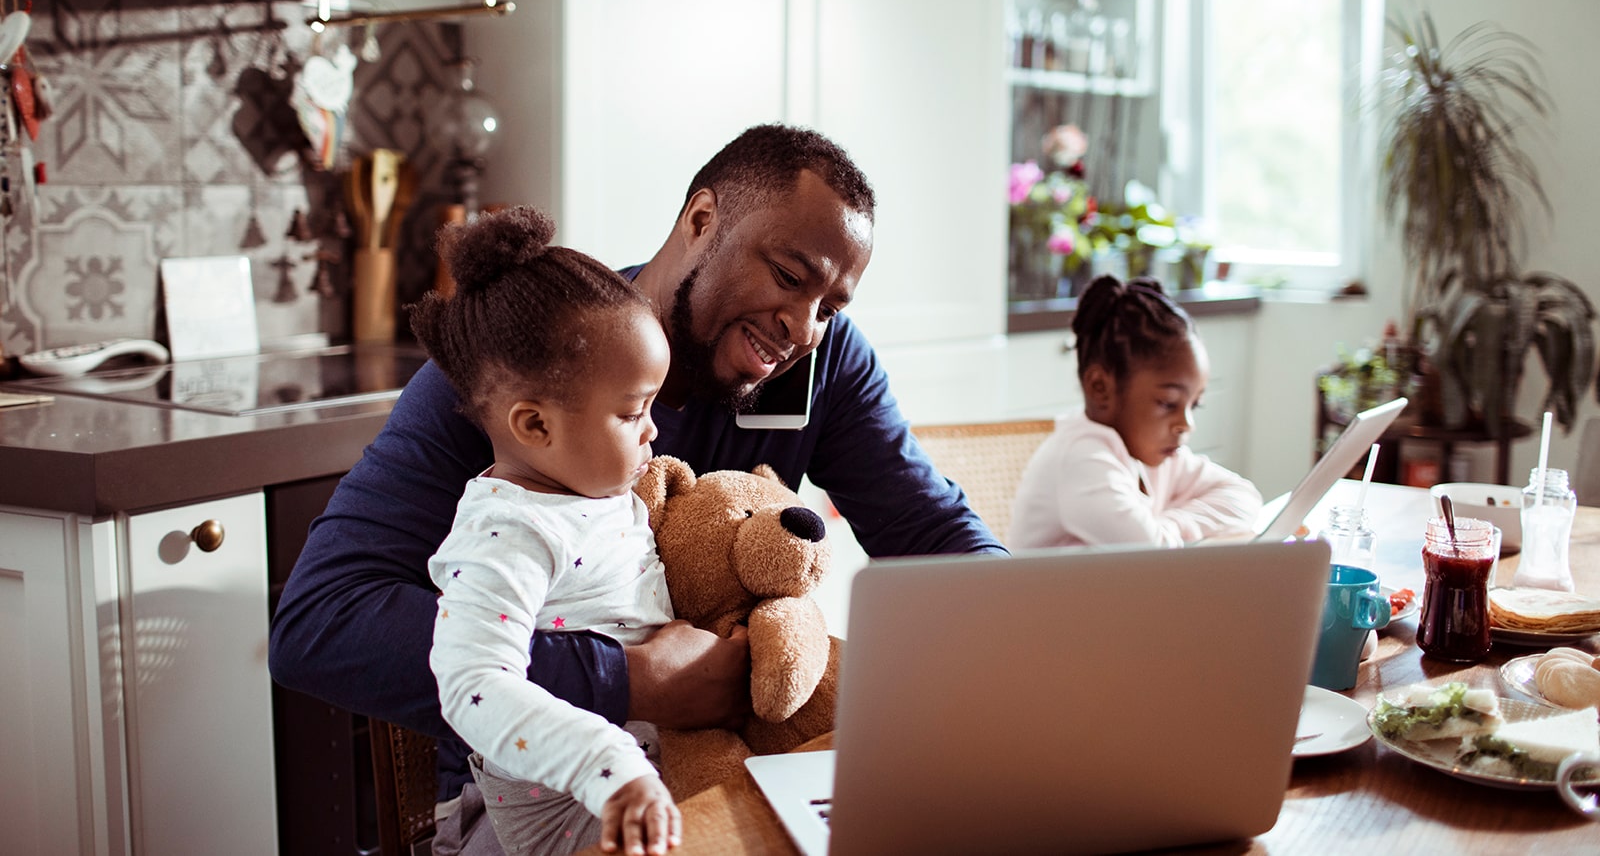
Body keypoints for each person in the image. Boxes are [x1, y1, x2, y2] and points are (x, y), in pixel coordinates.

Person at [268, 123, 1003, 855]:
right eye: (787, 274)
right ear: (702, 220)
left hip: (719, 777)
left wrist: (1043, 632)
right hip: (550, 809)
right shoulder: (526, 370)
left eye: (831, 306)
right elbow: (320, 625)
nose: (804, 328)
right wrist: (625, 679)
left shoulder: (824, 365)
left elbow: (932, 535)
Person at [414, 207, 680, 855]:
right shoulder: (506, 531)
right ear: (535, 427)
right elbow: (474, 683)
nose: (653, 431)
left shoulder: (597, 493)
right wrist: (607, 767)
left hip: (644, 785)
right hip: (560, 816)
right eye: (632, 412)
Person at [1008, 275, 1262, 549]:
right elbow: (1152, 552)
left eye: (1194, 405)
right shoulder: (1081, 458)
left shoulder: (1155, 455)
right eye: (1168, 403)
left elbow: (1244, 497)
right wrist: (1168, 531)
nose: (1186, 424)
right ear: (1100, 387)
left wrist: (1171, 525)